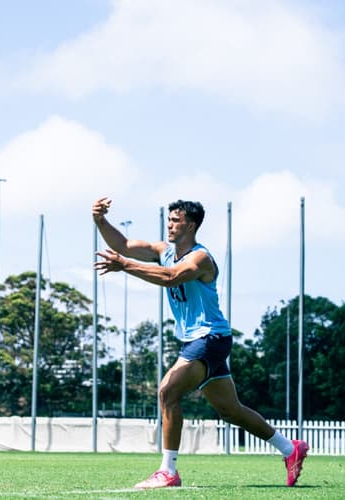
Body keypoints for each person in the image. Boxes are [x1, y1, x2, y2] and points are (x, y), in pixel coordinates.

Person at [92, 196, 309, 489]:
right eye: (168, 220)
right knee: (230, 410)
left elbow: (171, 277)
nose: (169, 225)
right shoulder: (163, 250)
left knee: (168, 392)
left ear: (191, 224)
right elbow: (123, 246)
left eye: (176, 220)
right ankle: (289, 448)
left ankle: (168, 471)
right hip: (202, 340)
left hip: (210, 338)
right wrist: (100, 221)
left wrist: (126, 266)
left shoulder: (200, 258)